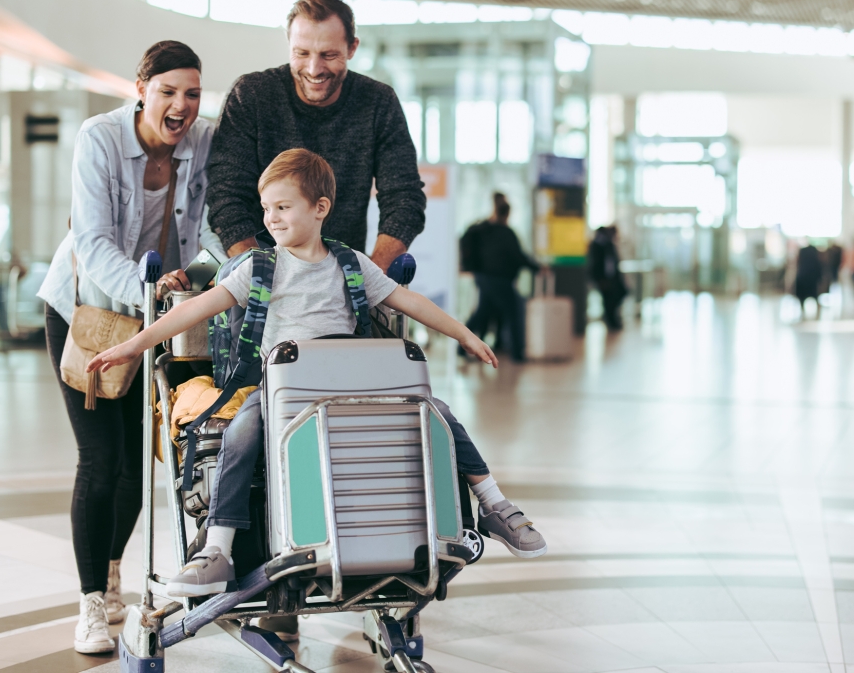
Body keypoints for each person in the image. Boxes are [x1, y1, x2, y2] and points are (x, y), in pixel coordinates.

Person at [87, 150, 548, 639]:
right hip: (285, 386)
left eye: (284, 207)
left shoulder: (350, 264)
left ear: (320, 208)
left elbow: (405, 299)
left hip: (350, 383)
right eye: (267, 208)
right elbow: (199, 306)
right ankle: (217, 547)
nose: (271, 217)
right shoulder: (258, 268)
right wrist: (136, 343)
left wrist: (464, 334)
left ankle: (495, 506)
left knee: (437, 413)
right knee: (241, 431)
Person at [37, 41, 223, 655]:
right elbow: (90, 241)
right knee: (100, 457)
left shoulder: (205, 141)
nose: (181, 105)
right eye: (168, 91)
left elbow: (211, 224)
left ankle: (114, 572)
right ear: (141, 87)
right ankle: (91, 602)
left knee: (136, 466)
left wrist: (200, 281)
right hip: (85, 312)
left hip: (151, 319)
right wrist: (148, 287)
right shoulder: (100, 137)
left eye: (192, 93)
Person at [206, 0, 425, 271]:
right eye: (302, 53)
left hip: (345, 282)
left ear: (352, 48)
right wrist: (261, 275)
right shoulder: (251, 95)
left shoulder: (378, 103)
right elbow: (226, 196)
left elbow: (404, 198)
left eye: (329, 55)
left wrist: (370, 279)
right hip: (258, 281)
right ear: (289, 44)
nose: (314, 68)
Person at [460, 193, 538, 361]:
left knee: (483, 313)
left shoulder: (481, 229)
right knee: (514, 312)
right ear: (507, 213)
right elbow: (519, 257)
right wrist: (537, 268)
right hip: (499, 280)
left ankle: (461, 347)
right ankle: (518, 354)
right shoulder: (505, 233)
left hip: (483, 278)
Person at [588, 225, 627, 331]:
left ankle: (613, 321)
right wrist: (599, 279)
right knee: (608, 300)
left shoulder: (608, 244)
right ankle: (611, 322)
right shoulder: (597, 244)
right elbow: (595, 264)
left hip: (612, 278)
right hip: (603, 279)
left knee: (619, 295)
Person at [794, 242, 823, 317]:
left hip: (803, 276)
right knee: (814, 294)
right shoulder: (814, 254)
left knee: (803, 295)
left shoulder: (803, 253)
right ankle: (816, 310)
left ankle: (802, 309)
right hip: (812, 278)